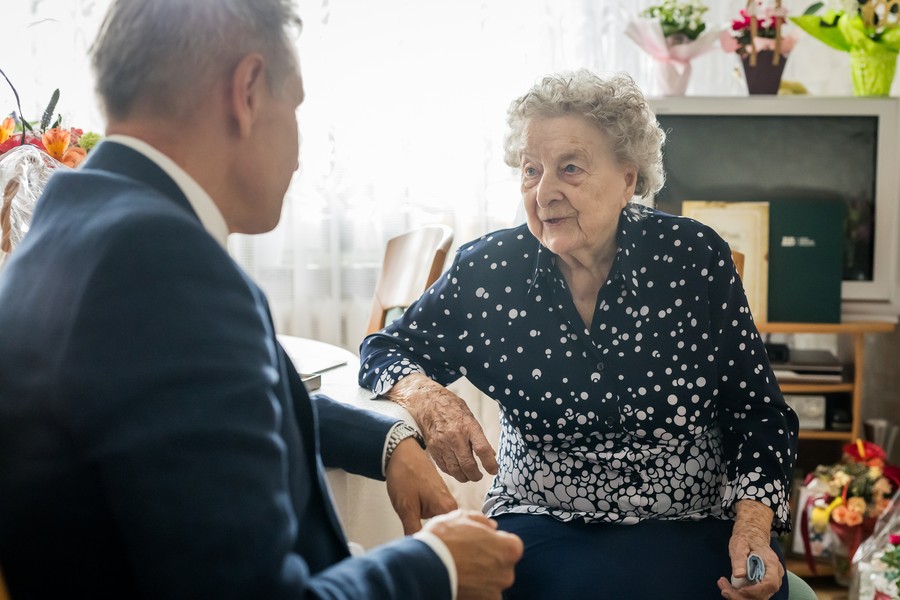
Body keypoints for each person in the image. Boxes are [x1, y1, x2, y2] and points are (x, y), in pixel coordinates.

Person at [0, 0, 522, 598]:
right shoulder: (167, 270)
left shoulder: (68, 231)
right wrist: (438, 565)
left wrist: (385, 441)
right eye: (295, 107)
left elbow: (210, 410)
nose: (299, 154)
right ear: (247, 90)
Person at [359, 70, 799, 600]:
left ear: (628, 181)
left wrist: (752, 530)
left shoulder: (691, 257)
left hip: (688, 520)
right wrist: (428, 397)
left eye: (570, 168)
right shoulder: (489, 271)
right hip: (537, 517)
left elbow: (758, 411)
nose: (544, 192)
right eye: (531, 170)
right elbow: (385, 347)